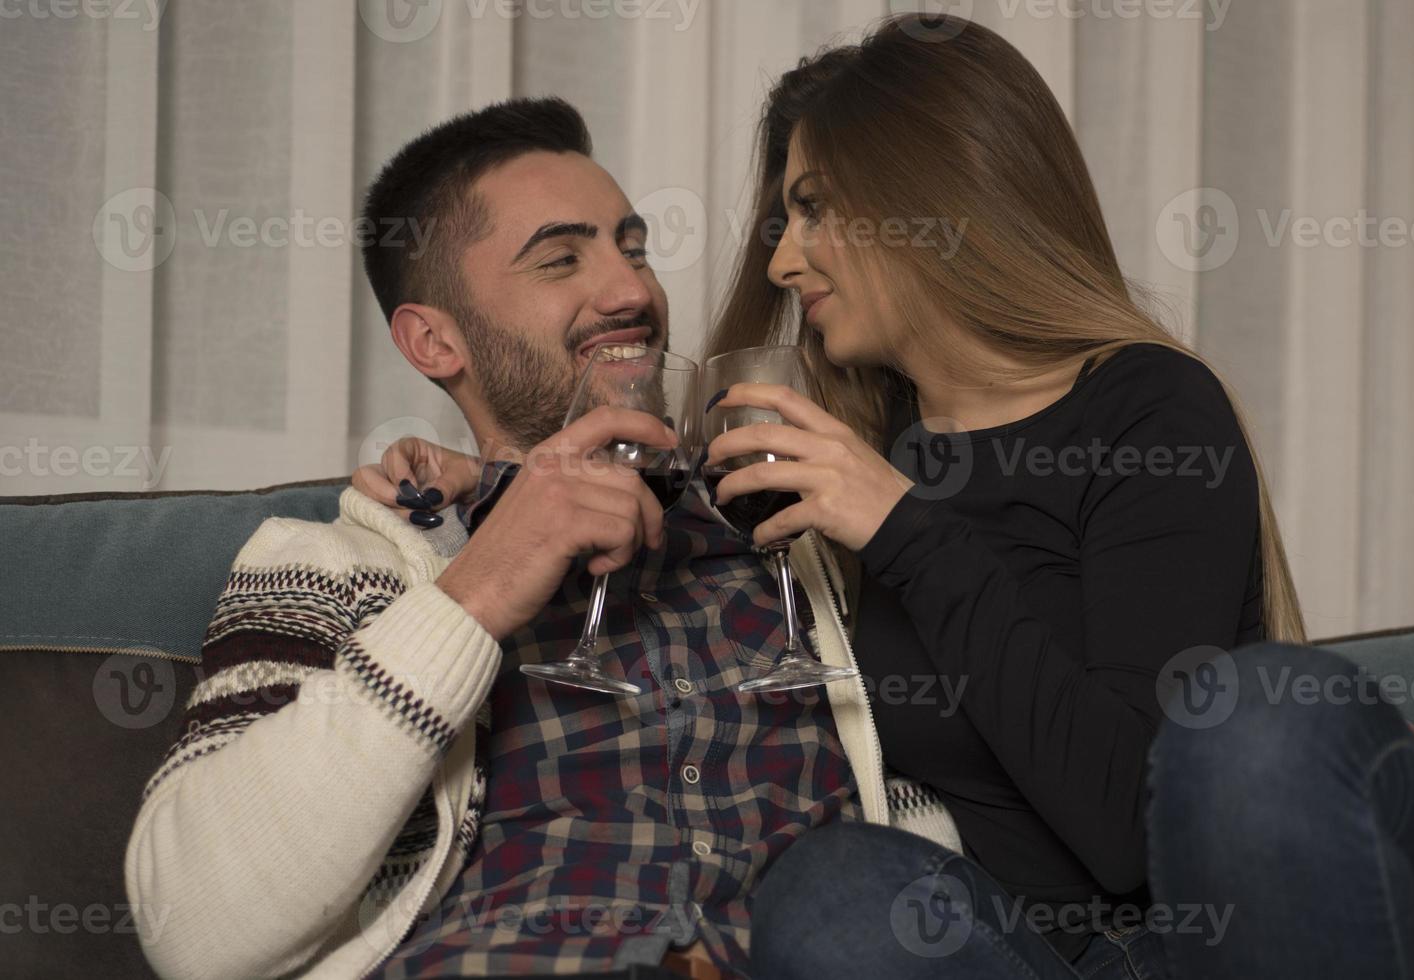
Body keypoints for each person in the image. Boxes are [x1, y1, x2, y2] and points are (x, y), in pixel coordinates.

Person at [371, 14, 1414, 980]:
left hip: (1210, 947)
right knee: (828, 887)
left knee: (1258, 718)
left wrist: (905, 528)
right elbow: (641, 483)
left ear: (929, 203)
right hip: (1021, 957)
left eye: (814, 208)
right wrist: (483, 477)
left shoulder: (1144, 410)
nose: (780, 261)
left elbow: (1125, 829)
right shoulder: (844, 455)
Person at [125, 97, 894, 980]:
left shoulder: (796, 537)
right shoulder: (329, 567)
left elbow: (929, 832)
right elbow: (194, 928)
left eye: (634, 248)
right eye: (562, 259)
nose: (632, 292)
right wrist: (473, 592)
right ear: (433, 340)